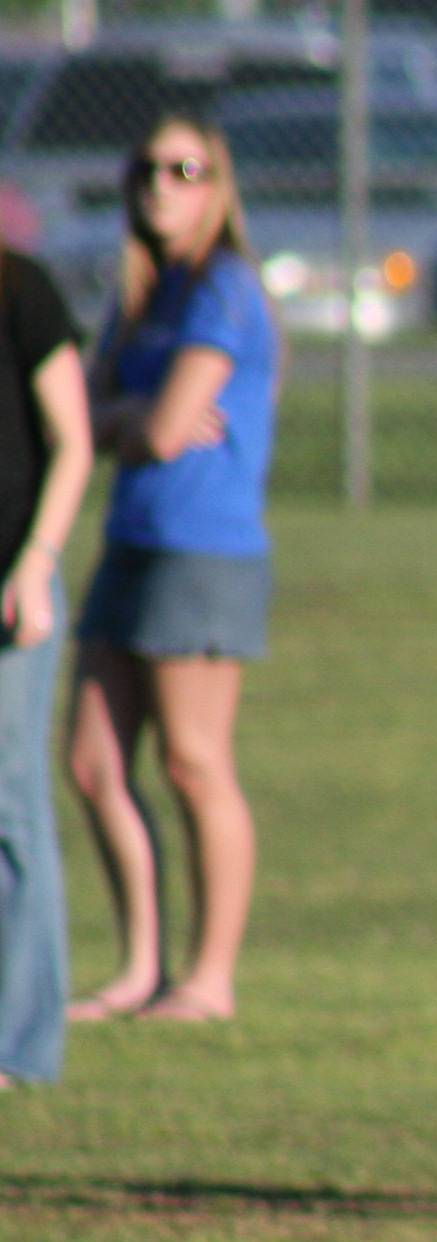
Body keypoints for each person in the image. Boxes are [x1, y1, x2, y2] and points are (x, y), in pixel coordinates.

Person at [67, 111, 277, 1028]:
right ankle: (141, 970)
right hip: (132, 538)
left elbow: (148, 430)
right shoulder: (140, 295)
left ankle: (209, 979)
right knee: (93, 762)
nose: (162, 185)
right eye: (148, 169)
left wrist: (127, 419)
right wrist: (128, 420)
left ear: (217, 186)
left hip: (204, 546)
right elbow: (84, 417)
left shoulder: (224, 289)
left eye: (185, 170)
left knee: (194, 762)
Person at [0, 231, 91, 1089]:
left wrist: (35, 563)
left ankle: (20, 1045)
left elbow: (73, 440)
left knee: (11, 808)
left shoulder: (19, 287)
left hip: (10, 590)